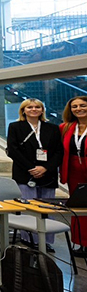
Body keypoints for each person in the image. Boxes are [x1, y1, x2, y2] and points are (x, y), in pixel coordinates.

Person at [7, 99, 63, 251]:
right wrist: (31, 168)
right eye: (29, 107)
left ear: (42, 110)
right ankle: (29, 239)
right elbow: (13, 150)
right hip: (25, 172)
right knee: (29, 208)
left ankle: (46, 241)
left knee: (48, 208)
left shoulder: (53, 128)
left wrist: (45, 168)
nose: (33, 109)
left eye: (37, 107)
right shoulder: (15, 127)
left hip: (48, 173)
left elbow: (59, 151)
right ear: (23, 110)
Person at [60, 96, 87, 256]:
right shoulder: (65, 127)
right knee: (78, 207)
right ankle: (80, 243)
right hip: (74, 170)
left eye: (82, 105)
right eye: (74, 106)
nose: (78, 109)